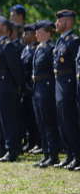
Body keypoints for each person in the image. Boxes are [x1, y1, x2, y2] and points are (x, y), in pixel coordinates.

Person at [0, 17, 24, 162]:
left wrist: (18, 86)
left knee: (7, 120)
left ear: (5, 28)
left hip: (6, 88)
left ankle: (11, 150)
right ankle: (1, 147)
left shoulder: (7, 45)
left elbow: (15, 69)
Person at [31, 21, 60, 167]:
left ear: (48, 33)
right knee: (40, 122)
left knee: (49, 122)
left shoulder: (51, 48)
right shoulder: (39, 48)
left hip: (47, 87)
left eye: (39, 31)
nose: (36, 34)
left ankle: (53, 155)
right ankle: (46, 153)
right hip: (38, 87)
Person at [54, 9, 80, 169]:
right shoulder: (60, 41)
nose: (56, 23)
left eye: (59, 20)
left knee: (70, 121)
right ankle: (69, 154)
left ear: (68, 22)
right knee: (62, 121)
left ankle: (77, 155)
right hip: (59, 84)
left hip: (69, 84)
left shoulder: (74, 40)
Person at [19, 23, 40, 153]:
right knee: (27, 117)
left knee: (35, 117)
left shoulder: (36, 49)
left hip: (33, 87)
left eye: (27, 33)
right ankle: (31, 141)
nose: (24, 36)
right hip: (25, 88)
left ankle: (38, 142)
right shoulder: (25, 49)